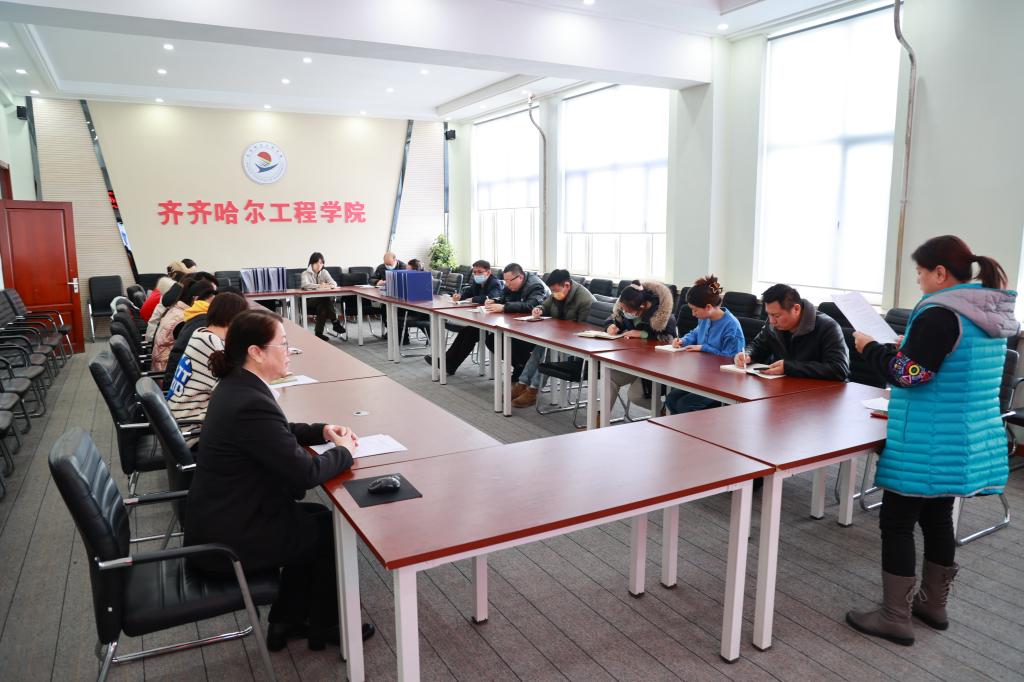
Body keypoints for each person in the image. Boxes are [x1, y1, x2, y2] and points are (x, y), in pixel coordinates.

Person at [845, 236, 1016, 645]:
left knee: (897, 521)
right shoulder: (987, 311)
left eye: (920, 272)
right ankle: (933, 606)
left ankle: (894, 616)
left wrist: (871, 349)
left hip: (929, 436)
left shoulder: (940, 313)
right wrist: (903, 349)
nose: (919, 280)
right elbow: (949, 365)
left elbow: (910, 376)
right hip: (964, 436)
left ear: (940, 273)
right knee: (938, 518)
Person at [184, 309, 375, 651]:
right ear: (256, 352)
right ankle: (327, 625)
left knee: (319, 519)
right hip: (229, 540)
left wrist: (321, 431)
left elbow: (276, 432)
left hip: (224, 516)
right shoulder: (248, 400)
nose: (289, 352)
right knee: (326, 531)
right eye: (283, 344)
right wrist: (344, 451)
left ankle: (288, 620)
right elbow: (306, 473)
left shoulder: (237, 385)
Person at [427, 263, 545, 380]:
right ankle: (449, 363)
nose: (507, 284)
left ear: (520, 277)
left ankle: (523, 368)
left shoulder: (535, 285)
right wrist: (495, 301)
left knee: (497, 340)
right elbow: (503, 298)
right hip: (514, 321)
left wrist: (504, 307)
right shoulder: (511, 284)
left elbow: (531, 305)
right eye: (505, 281)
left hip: (536, 327)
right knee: (474, 332)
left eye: (509, 281)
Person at [166, 292, 249, 447]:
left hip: (178, 422)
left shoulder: (200, 333)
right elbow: (236, 389)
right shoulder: (213, 345)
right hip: (192, 432)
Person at [510, 269, 594, 408]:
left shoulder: (585, 300)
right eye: (552, 291)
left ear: (567, 285)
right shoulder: (557, 293)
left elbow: (583, 329)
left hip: (578, 345)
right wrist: (539, 309)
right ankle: (522, 384)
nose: (554, 293)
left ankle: (533, 390)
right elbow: (545, 305)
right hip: (559, 336)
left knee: (549, 351)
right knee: (539, 348)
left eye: (555, 290)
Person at [664, 275, 746, 414]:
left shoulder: (731, 326)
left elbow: (731, 359)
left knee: (684, 405)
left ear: (708, 307)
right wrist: (683, 340)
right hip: (704, 376)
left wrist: (704, 348)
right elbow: (696, 333)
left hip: (723, 382)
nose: (693, 314)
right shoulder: (705, 318)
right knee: (671, 399)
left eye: (695, 310)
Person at [734, 283, 849, 380]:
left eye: (776, 315)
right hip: (783, 387)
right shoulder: (772, 323)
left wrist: (789, 367)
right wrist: (747, 355)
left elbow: (839, 369)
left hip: (820, 393)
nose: (772, 321)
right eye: (768, 314)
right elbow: (758, 346)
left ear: (796, 309)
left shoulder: (828, 327)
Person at [604, 280, 677, 411]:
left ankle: (663, 411)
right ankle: (600, 419)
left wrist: (643, 334)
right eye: (623, 309)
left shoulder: (663, 316)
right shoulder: (625, 306)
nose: (625, 312)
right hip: (633, 361)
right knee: (610, 378)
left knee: (635, 396)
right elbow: (613, 318)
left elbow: (669, 339)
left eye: (628, 310)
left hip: (655, 367)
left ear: (642, 307)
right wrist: (611, 326)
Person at [425, 260, 505, 373]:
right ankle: (448, 363)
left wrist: (473, 299)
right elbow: (468, 293)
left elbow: (491, 298)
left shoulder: (495, 283)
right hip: (479, 318)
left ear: (488, 272)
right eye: (475, 272)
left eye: (480, 272)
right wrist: (459, 296)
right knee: (467, 331)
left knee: (469, 333)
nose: (477, 274)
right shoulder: (477, 282)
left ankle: (448, 363)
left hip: (491, 322)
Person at [152, 280, 215, 373]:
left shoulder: (177, 309)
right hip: (167, 371)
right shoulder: (183, 318)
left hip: (164, 366)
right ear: (196, 299)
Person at [300, 252, 346, 341]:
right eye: (317, 263)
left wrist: (330, 285)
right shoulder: (305, 273)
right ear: (311, 263)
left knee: (323, 306)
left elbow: (334, 283)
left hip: (322, 302)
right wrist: (320, 286)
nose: (319, 265)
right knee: (325, 299)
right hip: (308, 301)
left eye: (321, 263)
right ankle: (335, 322)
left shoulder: (324, 272)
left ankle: (319, 333)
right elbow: (305, 285)